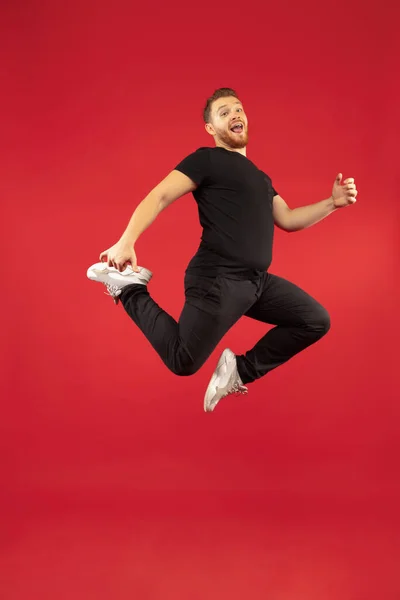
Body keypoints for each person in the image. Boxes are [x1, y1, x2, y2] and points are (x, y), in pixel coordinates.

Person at [87, 88, 358, 413]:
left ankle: (239, 370)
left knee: (314, 320)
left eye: (239, 109)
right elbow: (159, 196)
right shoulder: (207, 160)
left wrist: (332, 203)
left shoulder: (261, 178)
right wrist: (127, 240)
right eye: (225, 112)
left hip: (255, 282)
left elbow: (288, 219)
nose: (236, 115)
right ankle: (130, 289)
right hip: (219, 278)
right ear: (211, 128)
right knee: (183, 361)